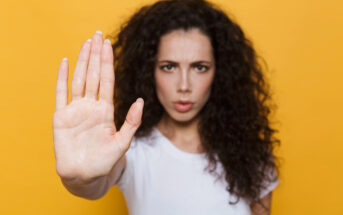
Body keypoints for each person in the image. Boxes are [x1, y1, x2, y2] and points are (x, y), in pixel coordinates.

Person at [52, 0, 281, 214]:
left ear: (219, 74)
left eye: (199, 67)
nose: (184, 85)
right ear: (148, 70)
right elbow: (93, 183)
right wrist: (78, 178)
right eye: (169, 67)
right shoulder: (130, 150)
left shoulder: (251, 155)